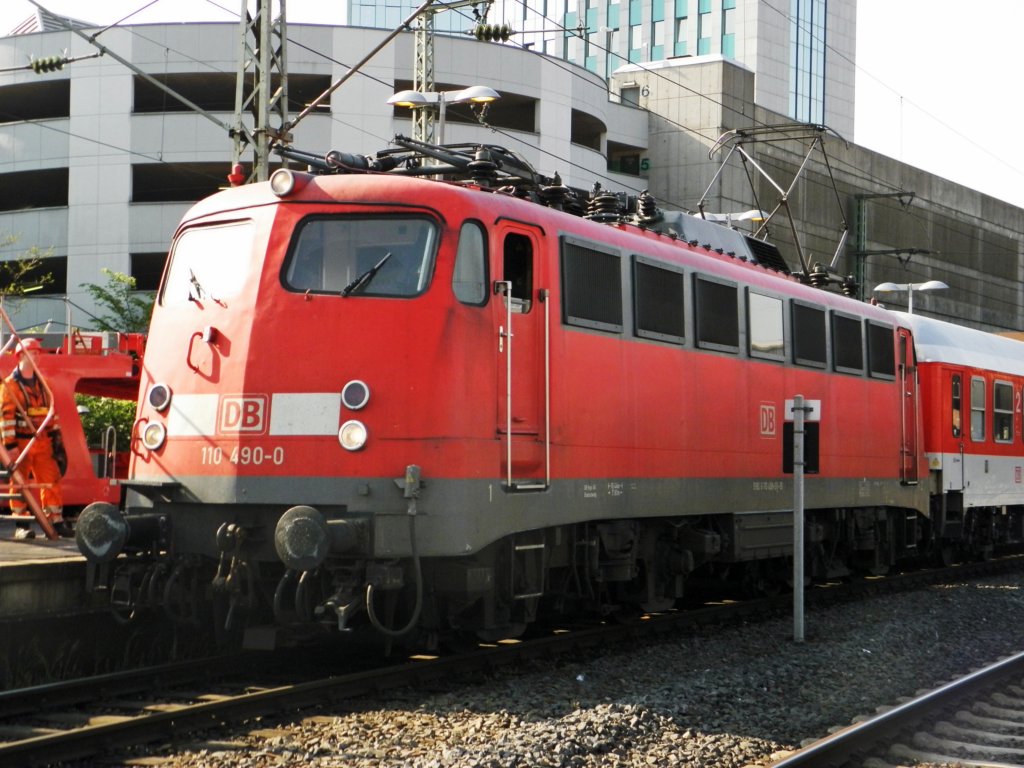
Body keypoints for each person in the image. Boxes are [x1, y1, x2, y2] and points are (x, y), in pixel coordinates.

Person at [0, 338, 69, 539]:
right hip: (21, 442)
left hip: (43, 441)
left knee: (51, 479)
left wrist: (56, 439)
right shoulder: (10, 386)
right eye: (33, 352)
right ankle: (21, 524)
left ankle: (55, 520)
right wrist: (10, 445)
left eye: (39, 353)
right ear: (20, 356)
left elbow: (52, 412)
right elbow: (6, 418)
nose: (37, 356)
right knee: (20, 483)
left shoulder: (44, 383)